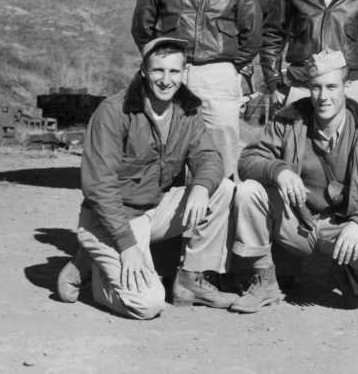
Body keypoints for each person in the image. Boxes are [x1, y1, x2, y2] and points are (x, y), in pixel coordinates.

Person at [56, 37, 238, 319]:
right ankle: (94, 271)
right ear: (143, 70)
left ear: (184, 72)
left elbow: (210, 157)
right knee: (149, 304)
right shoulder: (113, 111)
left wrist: (201, 187)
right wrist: (127, 245)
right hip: (113, 220)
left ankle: (191, 278)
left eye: (174, 72)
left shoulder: (187, 111)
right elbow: (99, 187)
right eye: (158, 71)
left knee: (222, 188)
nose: (166, 80)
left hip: (156, 211)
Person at [229, 49, 358, 313]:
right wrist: (279, 170)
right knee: (248, 192)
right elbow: (248, 160)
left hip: (346, 227)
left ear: (346, 86)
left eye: (332, 87)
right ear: (308, 88)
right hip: (298, 222)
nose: (324, 97)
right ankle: (263, 276)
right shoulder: (288, 121)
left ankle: (351, 279)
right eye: (316, 87)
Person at [131, 0, 262, 179]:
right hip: (171, 79)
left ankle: (220, 222)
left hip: (219, 78)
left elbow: (251, 36)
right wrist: (165, 66)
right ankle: (168, 222)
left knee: (222, 161)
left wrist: (227, 68)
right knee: (166, 161)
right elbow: (142, 29)